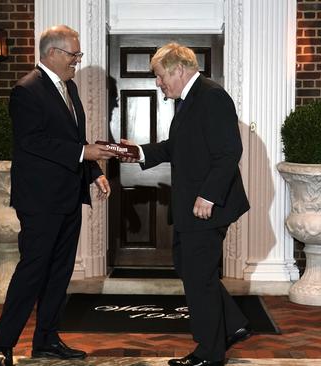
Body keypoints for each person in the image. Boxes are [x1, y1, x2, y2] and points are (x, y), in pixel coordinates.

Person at [0, 25, 116, 366]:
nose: (77, 60)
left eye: (78, 55)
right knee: (33, 271)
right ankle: (2, 345)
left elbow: (76, 139)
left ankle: (46, 340)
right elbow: (33, 142)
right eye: (73, 54)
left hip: (68, 197)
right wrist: (84, 154)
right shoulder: (26, 90)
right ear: (52, 53)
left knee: (60, 272)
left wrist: (95, 172)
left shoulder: (69, 88)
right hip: (40, 201)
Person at [120, 43, 252, 366]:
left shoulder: (211, 96)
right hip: (192, 207)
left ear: (179, 69)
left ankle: (209, 353)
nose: (158, 83)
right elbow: (175, 148)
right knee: (189, 266)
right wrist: (138, 152)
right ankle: (232, 325)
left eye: (160, 76)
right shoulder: (187, 101)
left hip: (207, 206)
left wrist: (208, 195)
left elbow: (229, 151)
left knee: (199, 277)